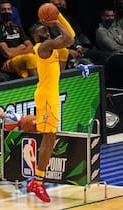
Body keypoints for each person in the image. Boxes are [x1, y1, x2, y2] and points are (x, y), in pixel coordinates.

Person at [26, 13, 75, 202]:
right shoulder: (43, 47)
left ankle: (37, 180)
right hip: (46, 97)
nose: (47, 33)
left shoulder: (52, 46)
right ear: (36, 37)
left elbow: (71, 36)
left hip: (51, 96)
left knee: (51, 139)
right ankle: (37, 182)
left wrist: (59, 16)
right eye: (43, 31)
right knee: (48, 139)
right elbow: (68, 38)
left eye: (47, 31)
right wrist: (55, 22)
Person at [0, 0, 37, 79]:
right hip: (5, 64)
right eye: (4, 10)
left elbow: (31, 48)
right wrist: (21, 47)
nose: (7, 11)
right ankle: (35, 84)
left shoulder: (16, 26)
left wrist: (16, 51)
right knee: (30, 58)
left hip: (20, 58)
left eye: (9, 9)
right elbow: (7, 53)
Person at [96, 7, 123, 89]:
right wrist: (121, 41)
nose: (110, 18)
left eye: (112, 16)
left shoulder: (116, 28)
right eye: (107, 16)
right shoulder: (100, 31)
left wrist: (118, 40)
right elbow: (112, 46)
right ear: (102, 17)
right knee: (121, 65)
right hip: (111, 56)